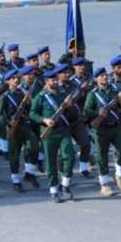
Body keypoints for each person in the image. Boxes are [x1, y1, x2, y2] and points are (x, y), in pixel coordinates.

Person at [30, 68, 76, 203]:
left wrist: (70, 106)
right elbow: (32, 114)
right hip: (49, 133)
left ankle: (65, 185)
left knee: (70, 156)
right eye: (52, 80)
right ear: (46, 81)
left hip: (63, 130)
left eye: (56, 79)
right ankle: (54, 190)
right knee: (51, 163)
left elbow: (71, 113)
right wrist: (44, 120)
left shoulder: (63, 94)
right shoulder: (40, 97)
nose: (55, 82)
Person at [84, 67, 121, 196]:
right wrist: (97, 113)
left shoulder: (115, 90)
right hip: (100, 129)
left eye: (105, 75)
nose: (104, 77)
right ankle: (104, 185)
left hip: (115, 127)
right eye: (101, 76)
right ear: (96, 79)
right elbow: (87, 111)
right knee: (101, 157)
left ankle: (119, 175)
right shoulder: (92, 94)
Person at [0, 69, 40, 192]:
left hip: (25, 125)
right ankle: (16, 181)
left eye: (17, 77)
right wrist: (8, 122)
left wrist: (29, 104)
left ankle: (29, 173)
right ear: (8, 81)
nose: (16, 80)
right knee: (14, 155)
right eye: (13, 78)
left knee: (34, 146)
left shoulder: (23, 93)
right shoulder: (4, 97)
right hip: (12, 128)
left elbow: (31, 110)